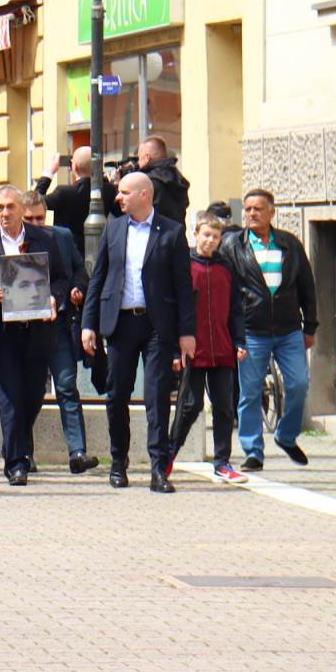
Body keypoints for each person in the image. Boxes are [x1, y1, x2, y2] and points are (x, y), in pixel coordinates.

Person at [81, 172, 196, 491]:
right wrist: (88, 323)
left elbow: (184, 286)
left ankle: (159, 469)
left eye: (124, 192)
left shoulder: (171, 232)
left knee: (157, 396)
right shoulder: (113, 228)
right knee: (117, 394)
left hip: (158, 325)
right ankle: (118, 463)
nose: (118, 197)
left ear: (144, 195)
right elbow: (98, 278)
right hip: (120, 323)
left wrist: (187, 332)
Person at [0, 184, 75, 486]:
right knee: (10, 396)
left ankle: (16, 446)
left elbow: (62, 279)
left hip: (37, 329)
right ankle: (16, 463)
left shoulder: (45, 240)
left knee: (33, 395)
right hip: (2, 332)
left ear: (23, 209)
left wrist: (54, 297)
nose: (4, 213)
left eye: (10, 207)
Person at [219, 188, 316, 471]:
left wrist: (310, 325)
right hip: (251, 331)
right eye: (247, 209)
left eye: (258, 209)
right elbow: (225, 290)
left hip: (288, 331)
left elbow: (307, 287)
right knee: (250, 392)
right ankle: (253, 451)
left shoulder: (289, 244)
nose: (251, 214)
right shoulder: (233, 246)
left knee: (299, 384)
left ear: (271, 213)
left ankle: (286, 436)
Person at [21, 190, 98, 475]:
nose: (36, 223)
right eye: (29, 218)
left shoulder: (62, 237)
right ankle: (24, 452)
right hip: (27, 328)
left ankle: (78, 452)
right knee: (31, 393)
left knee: (67, 387)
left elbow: (80, 270)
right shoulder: (18, 241)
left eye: (40, 217)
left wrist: (78, 288)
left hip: (60, 324)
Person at [168, 216, 248, 482]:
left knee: (225, 406)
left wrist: (239, 341)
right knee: (189, 405)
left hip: (223, 348)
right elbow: (174, 307)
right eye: (206, 235)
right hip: (193, 348)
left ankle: (222, 461)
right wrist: (173, 348)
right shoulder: (184, 265)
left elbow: (236, 308)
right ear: (196, 234)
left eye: (215, 236)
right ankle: (168, 454)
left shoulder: (227, 267)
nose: (210, 240)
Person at [35, 147, 116, 233]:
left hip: (68, 245)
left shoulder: (64, 192)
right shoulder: (110, 190)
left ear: (74, 167)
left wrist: (48, 173)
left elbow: (34, 203)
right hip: (100, 244)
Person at [125, 135, 190, 223]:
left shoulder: (148, 183)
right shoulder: (176, 178)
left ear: (147, 158)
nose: (138, 164)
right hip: (177, 234)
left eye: (139, 159)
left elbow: (131, 212)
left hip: (155, 234)